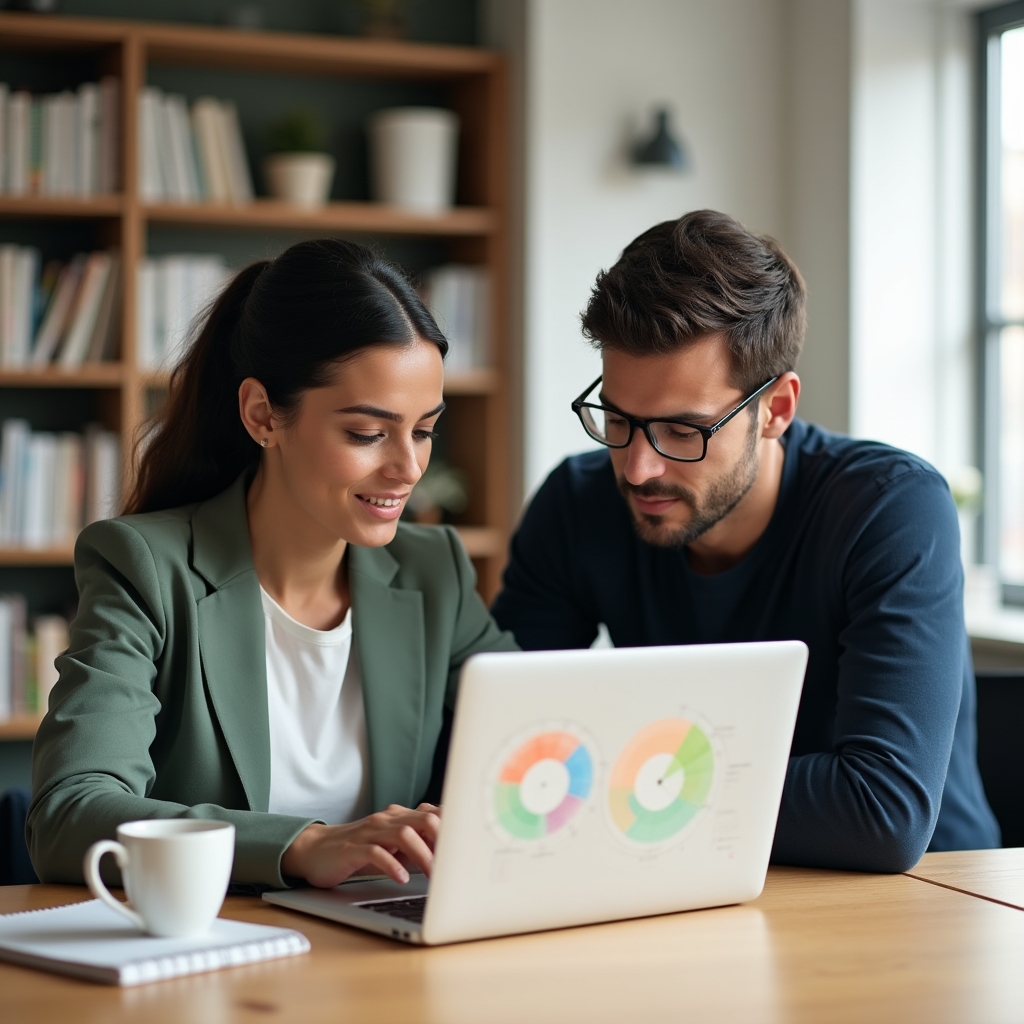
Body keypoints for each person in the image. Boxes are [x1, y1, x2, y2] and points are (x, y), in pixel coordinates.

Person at [492, 209, 1000, 872]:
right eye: (619, 419)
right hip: (691, 877)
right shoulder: (579, 502)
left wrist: (613, 786)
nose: (640, 468)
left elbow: (882, 812)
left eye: (682, 430)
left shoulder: (888, 509)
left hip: (926, 897)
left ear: (776, 409)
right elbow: (500, 752)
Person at [28, 238, 517, 890]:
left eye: (423, 430)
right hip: (211, 957)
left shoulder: (436, 570)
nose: (408, 469)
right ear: (263, 415)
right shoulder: (145, 567)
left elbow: (535, 739)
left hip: (375, 950)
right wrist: (300, 845)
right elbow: (69, 814)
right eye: (368, 434)